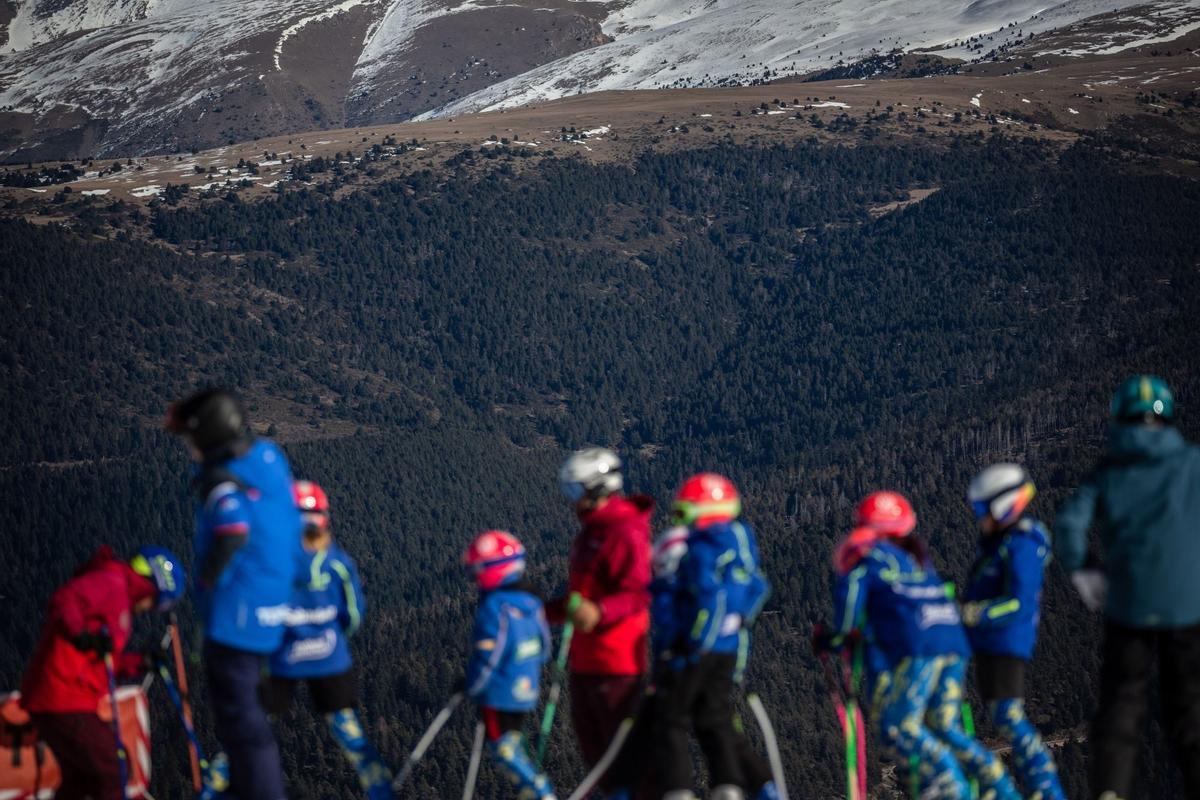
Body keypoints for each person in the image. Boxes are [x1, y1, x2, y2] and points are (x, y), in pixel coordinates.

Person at [817, 491, 1020, 800]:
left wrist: (830, 640)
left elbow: (849, 621)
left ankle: (951, 788)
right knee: (946, 727)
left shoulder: (864, 561)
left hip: (917, 647)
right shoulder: (917, 563)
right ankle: (1000, 788)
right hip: (952, 641)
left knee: (900, 727)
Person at [1055, 375, 1200, 800]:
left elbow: (1068, 524)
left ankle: (1110, 791)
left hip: (1130, 603)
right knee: (1188, 706)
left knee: (1123, 701)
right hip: (1186, 604)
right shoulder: (1192, 463)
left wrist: (1085, 569)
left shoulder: (1110, 472)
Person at [166, 387, 303, 800]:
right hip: (275, 608)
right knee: (253, 722)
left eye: (192, 441)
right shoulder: (268, 457)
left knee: (242, 724)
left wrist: (207, 585)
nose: (190, 450)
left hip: (237, 618)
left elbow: (232, 532)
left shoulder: (221, 482)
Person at [608, 513, 778, 800]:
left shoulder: (682, 593)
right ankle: (756, 787)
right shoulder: (703, 585)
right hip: (711, 658)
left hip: (686, 662)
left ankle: (676, 789)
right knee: (715, 723)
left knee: (668, 721)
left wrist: (680, 654)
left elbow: (679, 625)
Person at [20, 545, 185, 799]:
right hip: (61, 694)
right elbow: (65, 599)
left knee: (81, 779)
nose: (151, 608)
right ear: (152, 586)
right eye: (158, 602)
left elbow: (106, 663)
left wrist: (140, 662)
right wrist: (81, 635)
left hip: (67, 696)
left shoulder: (120, 599)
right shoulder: (111, 582)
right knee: (112, 768)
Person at [262, 480, 392, 800]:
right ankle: (380, 788)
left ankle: (216, 785)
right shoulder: (337, 563)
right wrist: (332, 635)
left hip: (282, 660)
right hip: (330, 657)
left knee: (255, 727)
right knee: (348, 730)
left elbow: (257, 615)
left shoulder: (270, 565)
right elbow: (353, 615)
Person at [648, 473, 773, 800]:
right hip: (730, 648)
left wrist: (692, 642)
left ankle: (677, 789)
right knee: (713, 717)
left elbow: (708, 596)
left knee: (669, 716)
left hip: (699, 648)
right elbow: (758, 588)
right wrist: (737, 624)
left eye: (683, 513)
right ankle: (729, 786)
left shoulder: (702, 549)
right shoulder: (740, 541)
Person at [551, 448, 653, 786]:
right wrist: (537, 611)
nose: (570, 502)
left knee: (623, 762)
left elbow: (639, 593)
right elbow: (580, 600)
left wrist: (600, 612)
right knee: (598, 765)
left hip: (617, 665)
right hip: (586, 663)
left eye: (574, 492)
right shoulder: (590, 532)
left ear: (597, 489)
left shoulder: (624, 531)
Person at [963, 464, 1065, 800]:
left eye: (983, 509)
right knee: (1001, 716)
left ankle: (1047, 789)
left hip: (1007, 642)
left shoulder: (1022, 543)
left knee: (1008, 716)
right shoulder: (997, 544)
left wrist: (977, 613)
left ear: (1003, 505)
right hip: (987, 642)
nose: (979, 517)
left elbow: (1019, 603)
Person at [461, 530, 557, 800]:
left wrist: (472, 687)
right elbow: (545, 647)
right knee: (514, 743)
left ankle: (540, 792)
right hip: (526, 689)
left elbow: (488, 658)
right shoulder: (531, 601)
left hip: (499, 692)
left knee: (503, 749)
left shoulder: (494, 607)